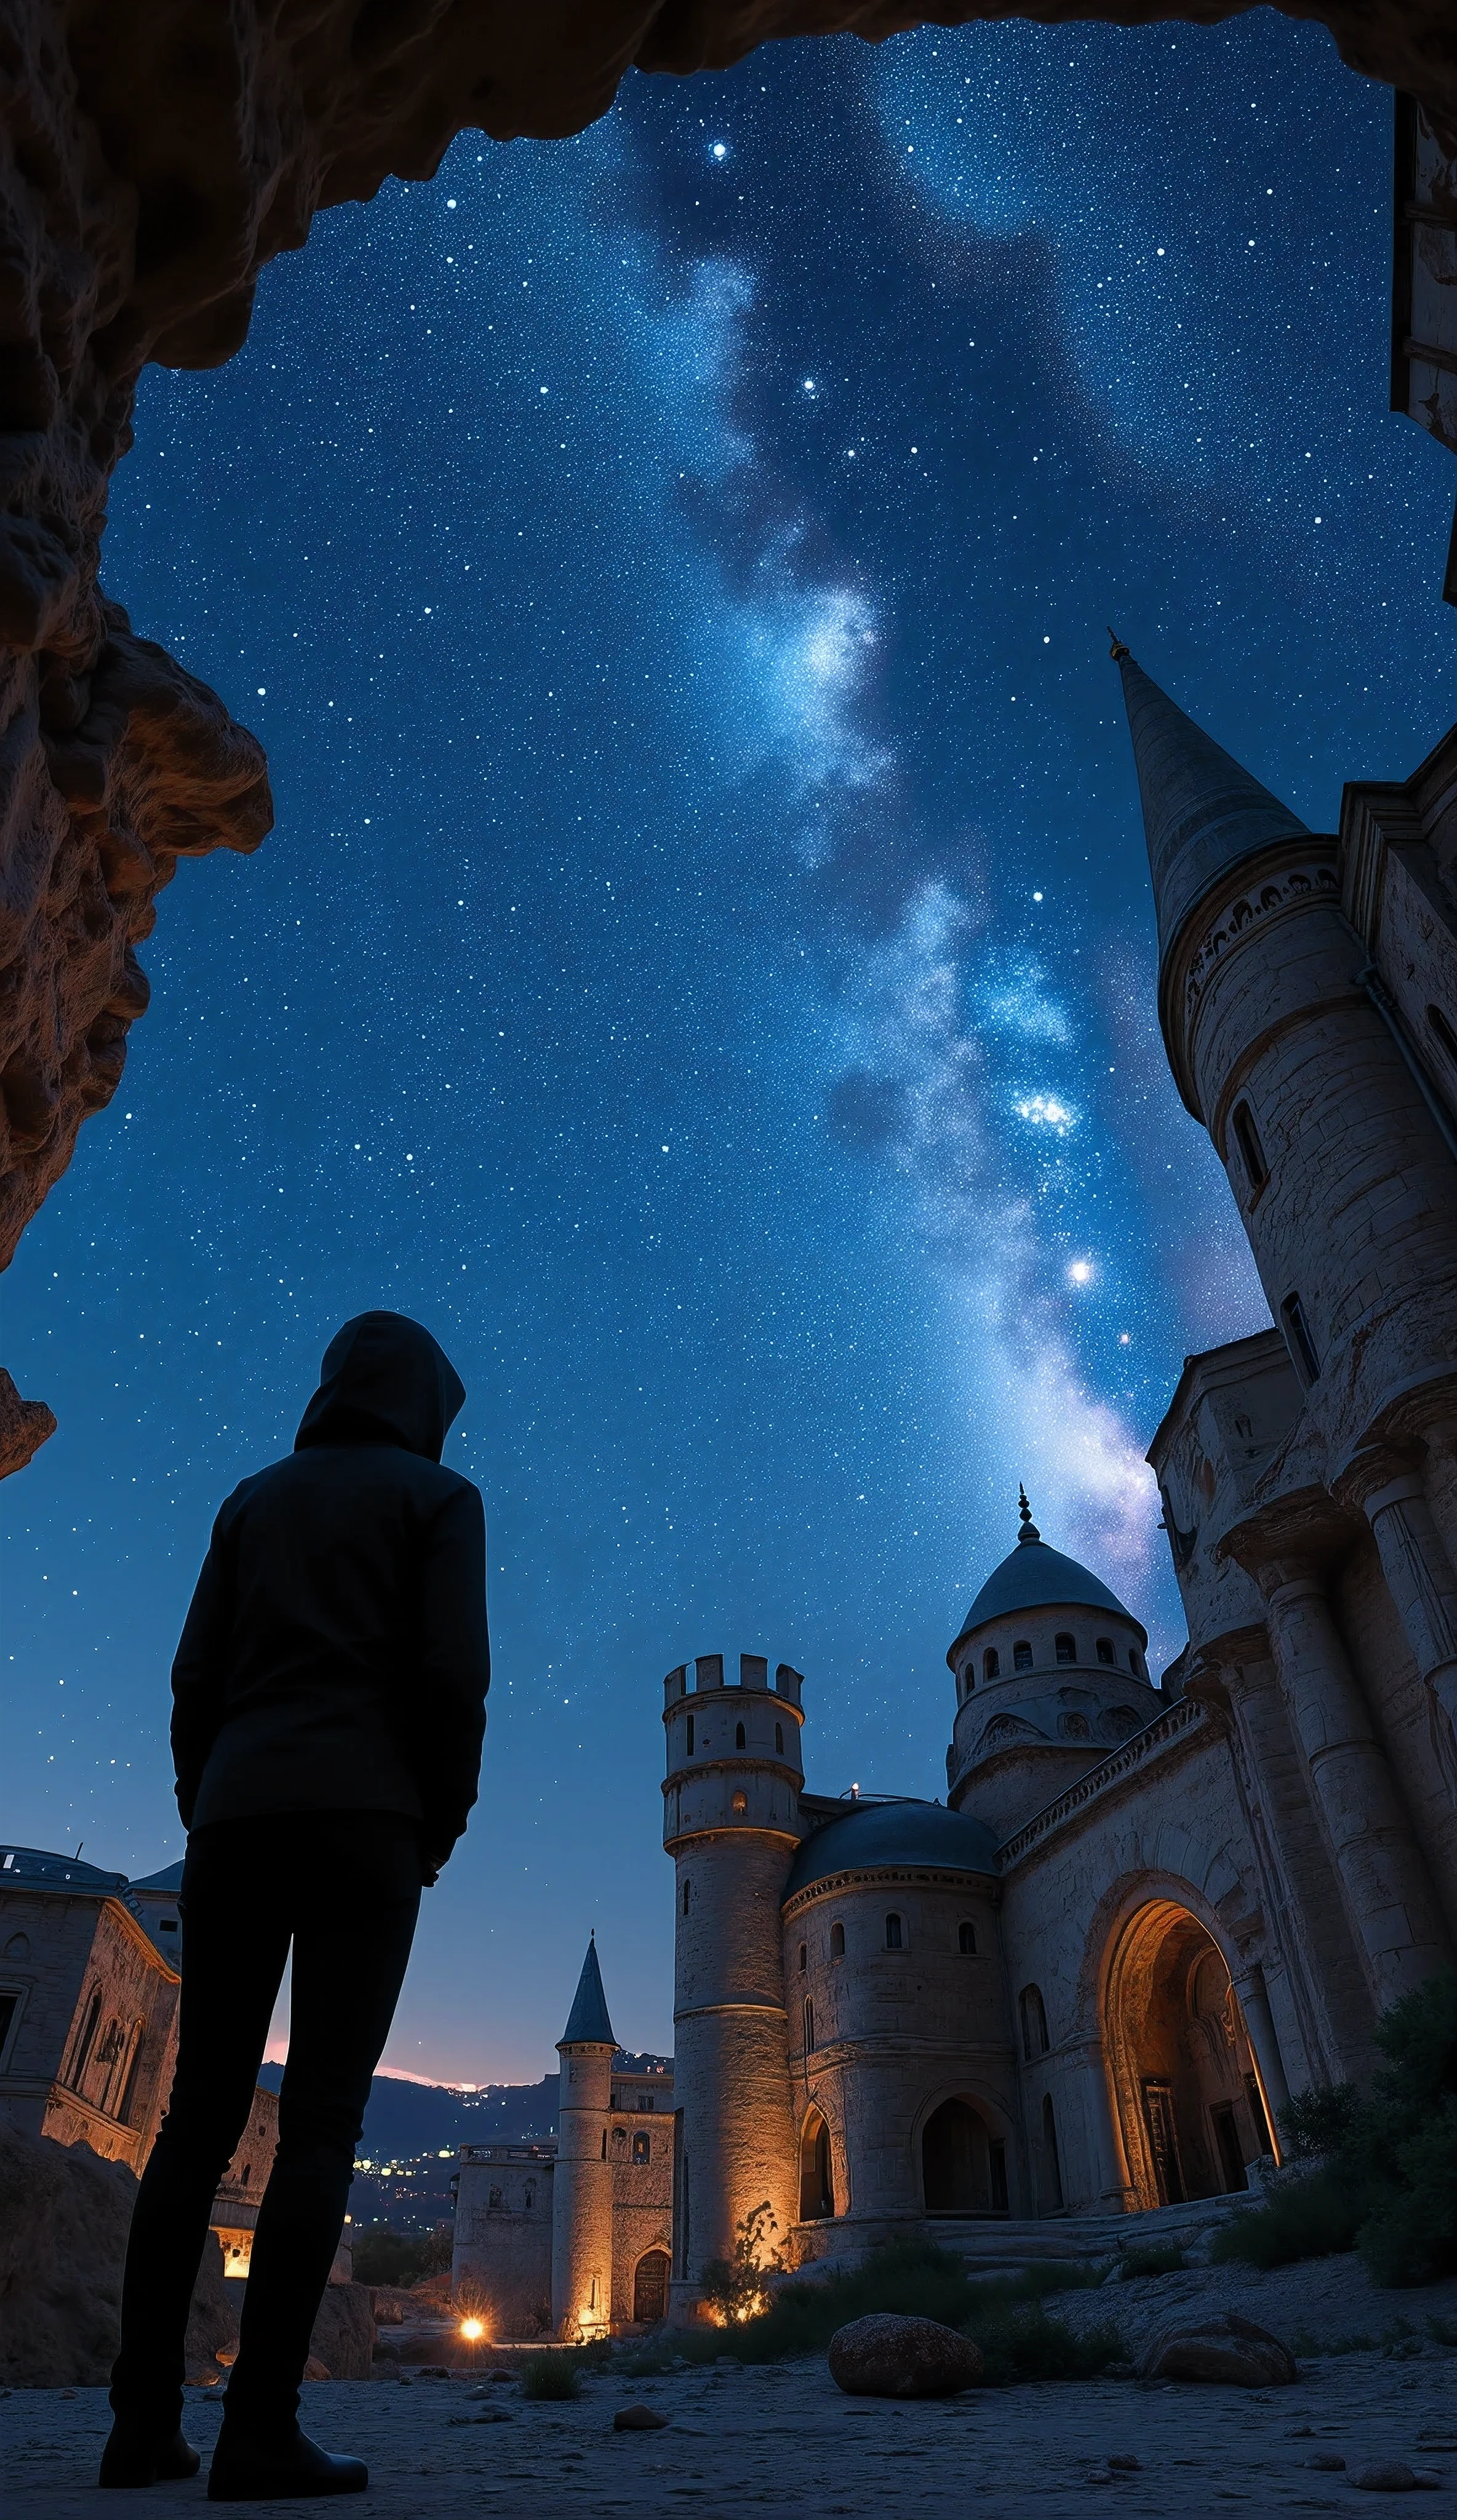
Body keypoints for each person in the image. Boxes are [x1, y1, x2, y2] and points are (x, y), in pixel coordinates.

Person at [101, 1312, 489, 2498]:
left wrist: (205, 1798)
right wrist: (438, 1824)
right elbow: (452, 1676)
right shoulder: (439, 1499)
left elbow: (194, 1675)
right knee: (321, 2123)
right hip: (367, 1820)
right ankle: (260, 2429)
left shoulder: (252, 1500)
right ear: (424, 1398)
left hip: (233, 1819)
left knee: (193, 2120)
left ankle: (140, 2429)